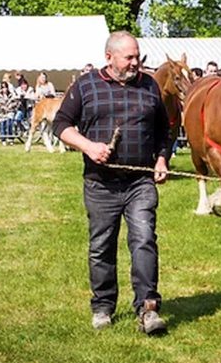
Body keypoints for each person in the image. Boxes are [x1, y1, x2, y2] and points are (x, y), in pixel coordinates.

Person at [53, 30, 170, 336]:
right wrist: (89, 146)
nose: (136, 63)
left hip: (140, 182)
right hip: (100, 184)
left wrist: (161, 159)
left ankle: (148, 308)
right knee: (101, 246)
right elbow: (61, 124)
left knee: (144, 239)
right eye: (129, 57)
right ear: (109, 57)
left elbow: (163, 130)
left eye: (138, 56)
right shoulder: (86, 85)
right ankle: (103, 306)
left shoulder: (149, 85)